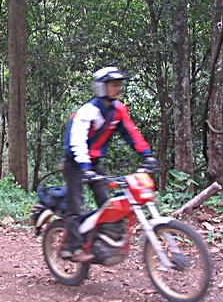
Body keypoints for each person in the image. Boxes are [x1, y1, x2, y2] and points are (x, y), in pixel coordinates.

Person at [61, 66, 158, 262]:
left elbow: (131, 133)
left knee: (106, 204)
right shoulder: (89, 111)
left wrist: (147, 155)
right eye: (113, 84)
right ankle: (71, 248)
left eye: (119, 84)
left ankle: (100, 243)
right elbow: (77, 141)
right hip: (76, 163)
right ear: (101, 87)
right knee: (75, 204)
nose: (118, 88)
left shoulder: (118, 110)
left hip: (94, 162)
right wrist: (85, 168)